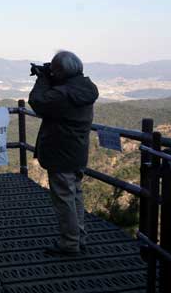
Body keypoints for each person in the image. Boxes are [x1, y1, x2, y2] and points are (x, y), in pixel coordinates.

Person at [28, 51, 99, 255]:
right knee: (74, 195)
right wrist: (52, 76)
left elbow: (38, 102)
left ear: (61, 72)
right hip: (77, 151)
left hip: (60, 151)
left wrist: (43, 78)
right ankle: (78, 238)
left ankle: (69, 243)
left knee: (64, 199)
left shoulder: (62, 94)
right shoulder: (85, 87)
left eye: (55, 69)